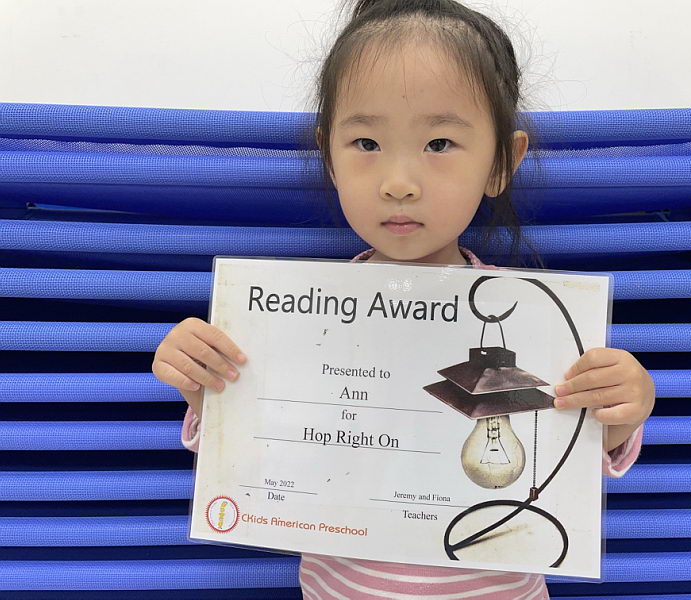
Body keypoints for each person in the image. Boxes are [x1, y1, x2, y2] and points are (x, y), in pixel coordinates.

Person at [152, 0, 656, 597]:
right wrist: (204, 386)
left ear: (502, 162)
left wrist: (625, 408)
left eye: (439, 143)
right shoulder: (295, 321)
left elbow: (565, 459)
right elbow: (261, 457)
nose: (398, 183)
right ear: (329, 156)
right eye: (366, 142)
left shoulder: (528, 318)